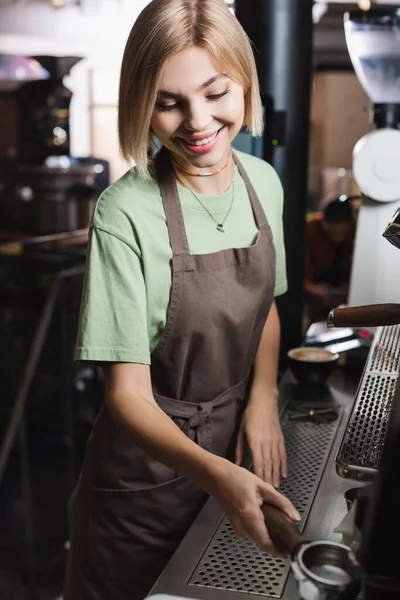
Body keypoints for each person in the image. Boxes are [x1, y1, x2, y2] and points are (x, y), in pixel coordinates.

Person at [64, 1, 300, 598]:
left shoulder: (262, 182)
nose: (197, 122)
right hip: (141, 486)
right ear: (143, 105)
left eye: (215, 92)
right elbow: (127, 398)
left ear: (243, 80)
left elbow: (265, 306)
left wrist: (263, 399)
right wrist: (220, 477)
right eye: (169, 103)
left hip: (232, 452)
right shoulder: (125, 213)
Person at [304, 195, 358, 324]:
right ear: (324, 223)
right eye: (333, 233)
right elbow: (294, 270)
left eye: (342, 233)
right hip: (316, 293)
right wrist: (311, 288)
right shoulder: (310, 229)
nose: (338, 237)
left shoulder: (359, 232)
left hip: (346, 296)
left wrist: (351, 289)